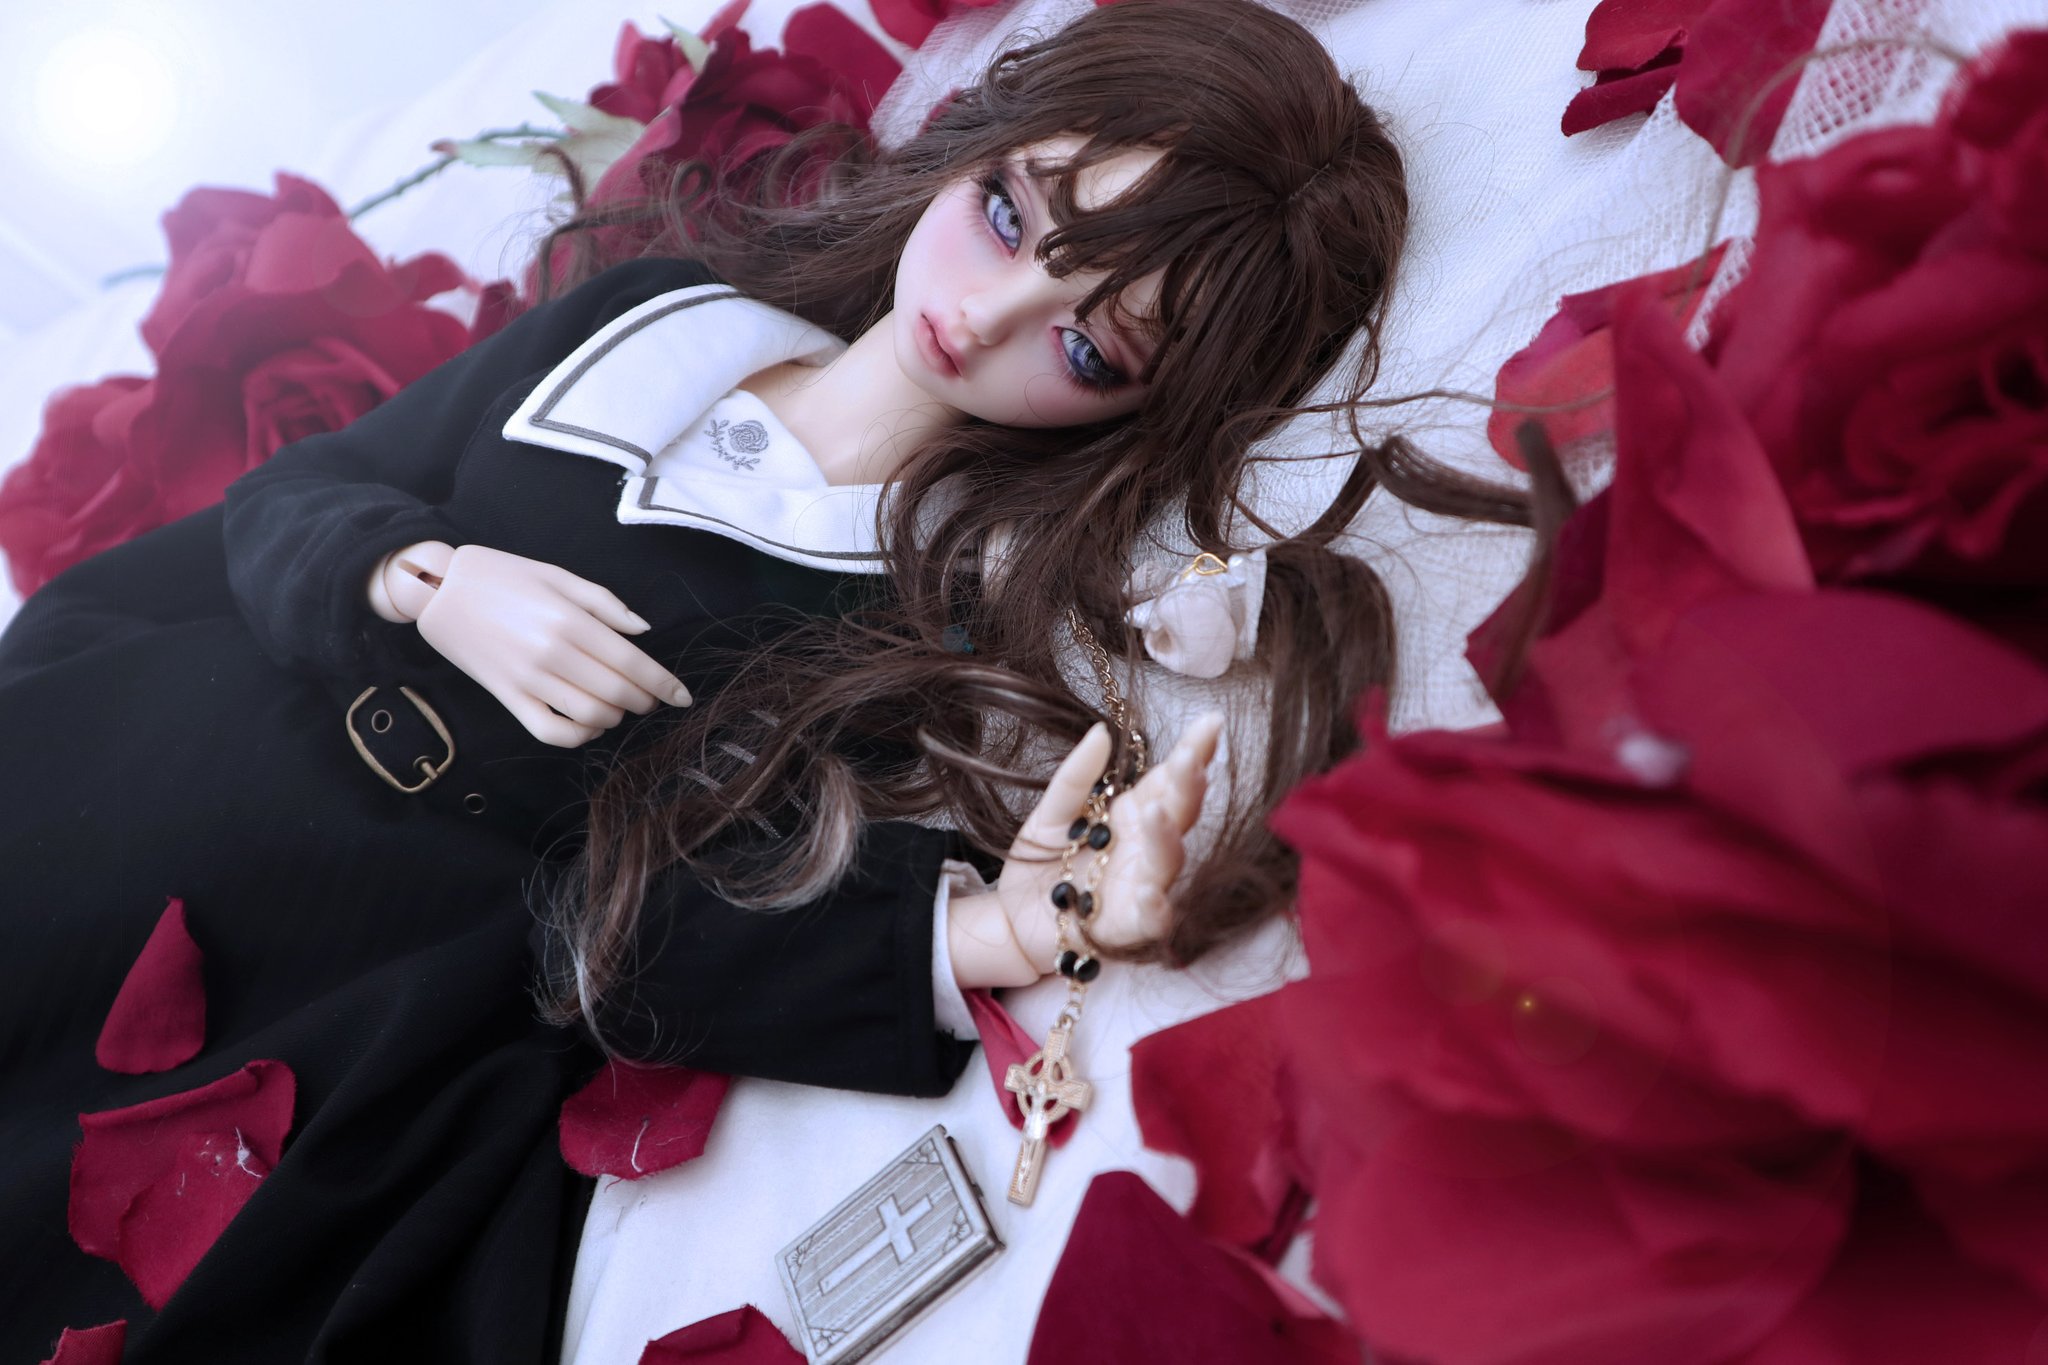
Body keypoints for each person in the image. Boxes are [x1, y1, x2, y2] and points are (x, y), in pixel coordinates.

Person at [0, 0, 1548, 1359]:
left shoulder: (926, 613)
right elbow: (298, 493)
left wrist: (997, 927)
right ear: (976, 142)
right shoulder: (648, 318)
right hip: (167, 760)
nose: (986, 314)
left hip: (366, 976)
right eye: (1008, 216)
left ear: (1147, 408)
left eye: (1089, 351)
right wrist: (421, 576)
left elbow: (664, 923)